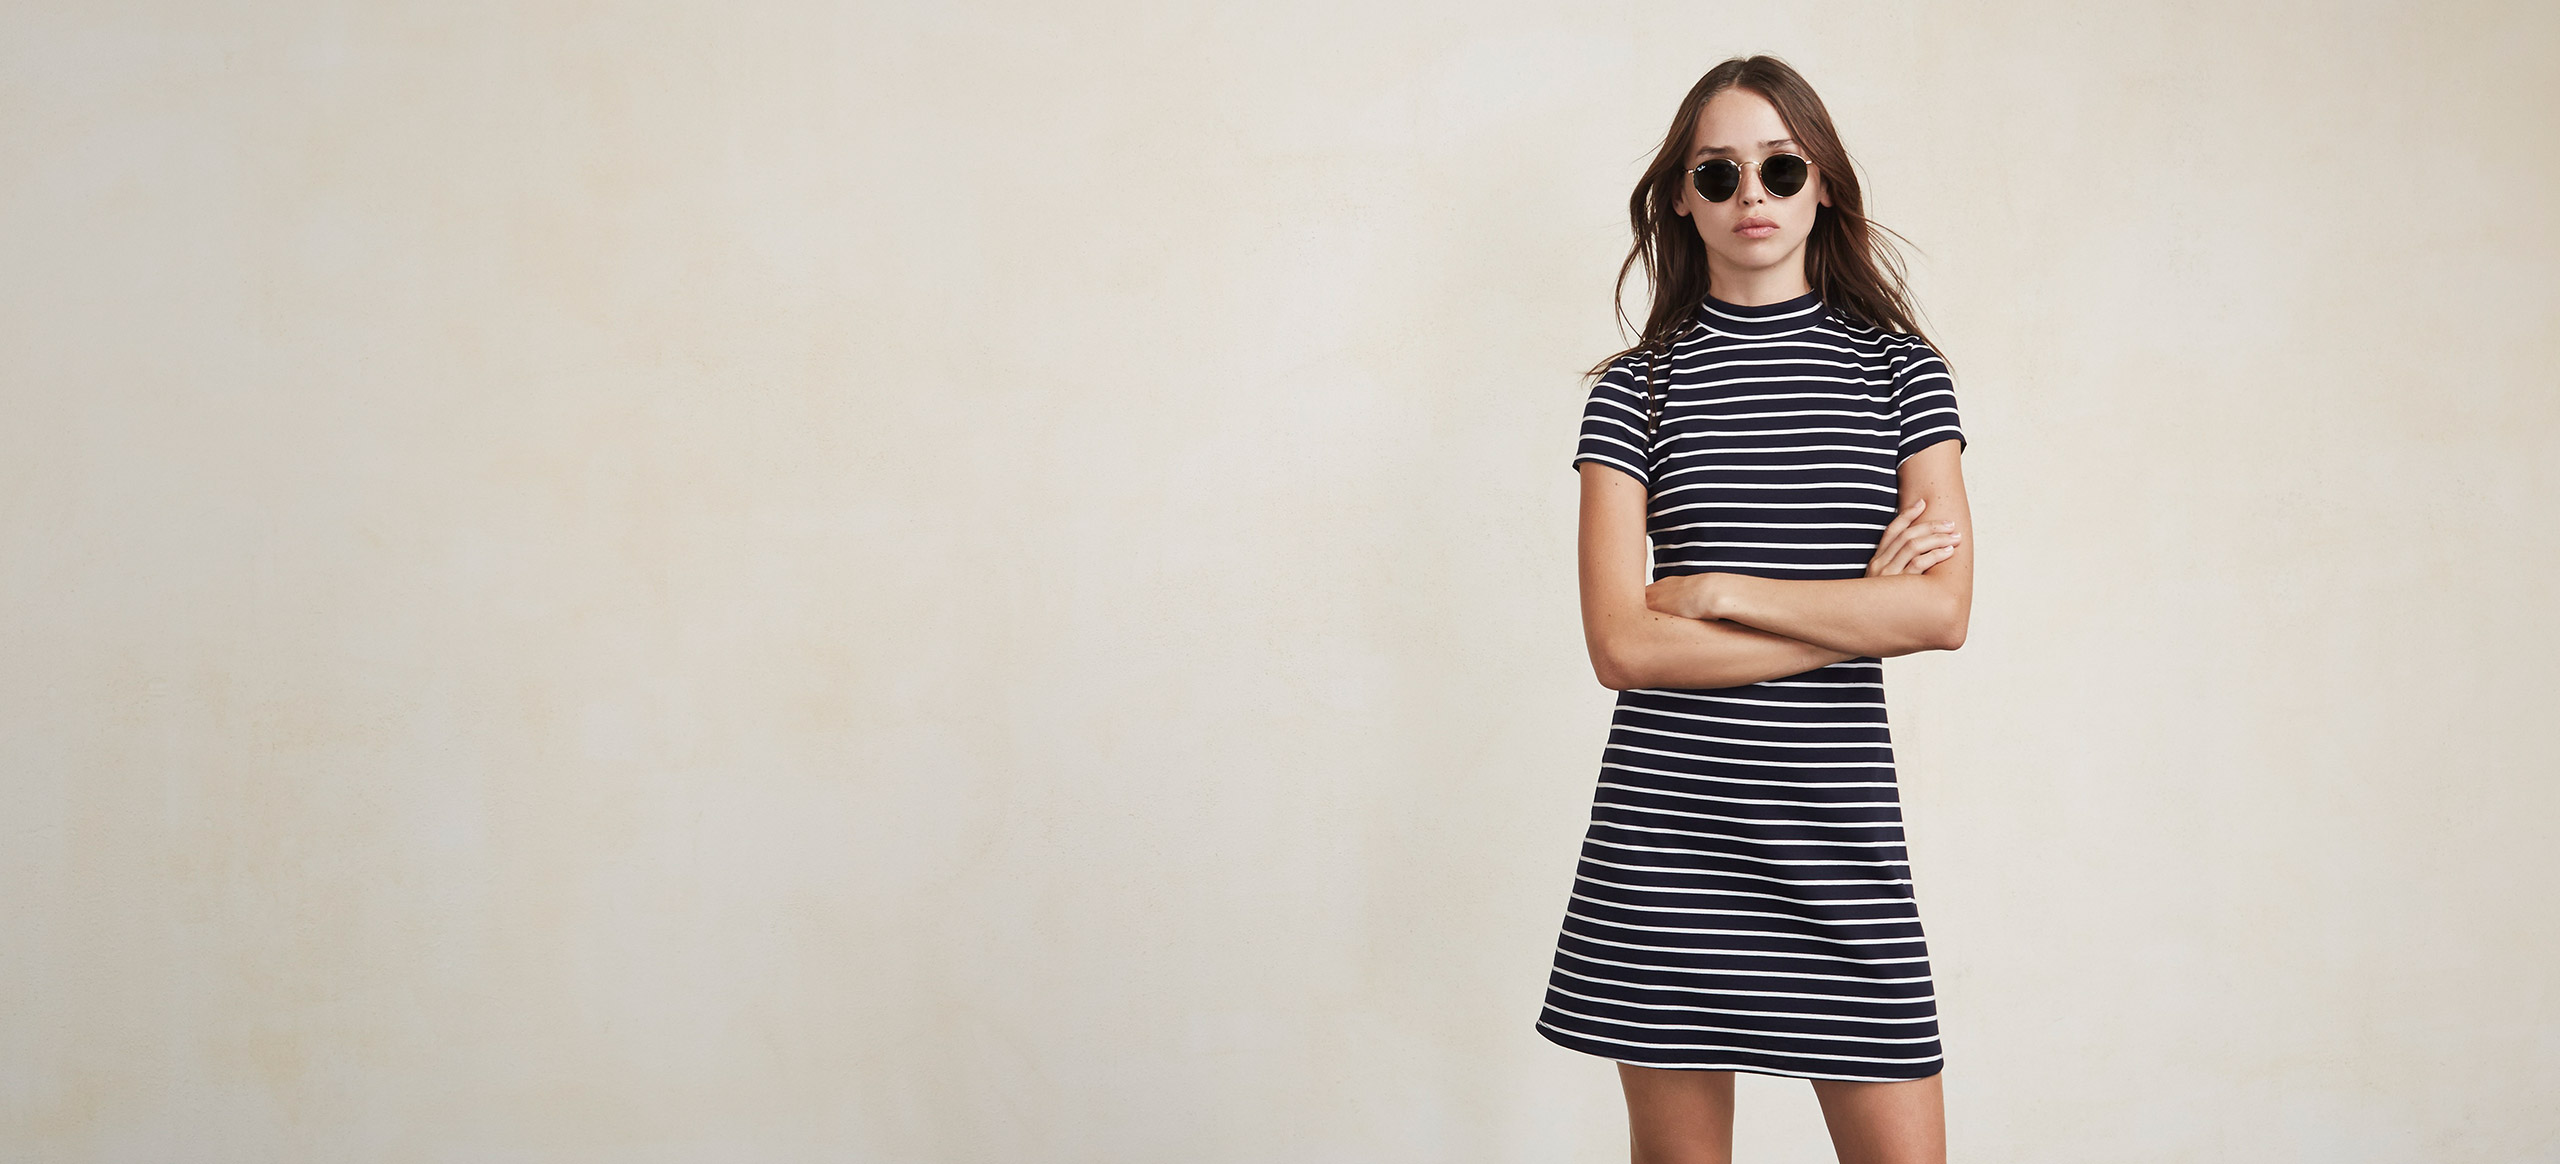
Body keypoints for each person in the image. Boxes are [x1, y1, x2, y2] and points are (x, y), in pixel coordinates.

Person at [1533, 55, 1973, 1164]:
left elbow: (1941, 614)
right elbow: (1621, 645)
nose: (1751, 196)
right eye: (1717, 173)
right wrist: (1854, 611)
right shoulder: (1633, 391)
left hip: (1838, 835)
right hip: (1668, 839)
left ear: (1822, 182)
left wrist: (1720, 596)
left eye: (1779, 167)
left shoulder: (1902, 376)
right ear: (1681, 198)